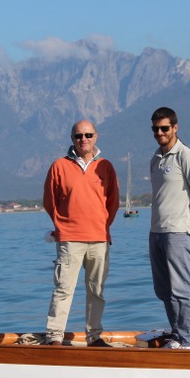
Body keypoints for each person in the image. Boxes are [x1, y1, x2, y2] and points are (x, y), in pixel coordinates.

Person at [43, 119, 119, 347]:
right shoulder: (59, 166)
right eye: (78, 136)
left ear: (96, 137)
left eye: (87, 135)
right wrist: (62, 225)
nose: (83, 140)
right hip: (69, 239)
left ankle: (94, 336)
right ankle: (54, 336)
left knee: (96, 291)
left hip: (99, 239)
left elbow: (113, 202)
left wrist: (102, 226)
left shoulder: (106, 166)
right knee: (63, 289)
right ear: (72, 139)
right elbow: (49, 202)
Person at [148, 106, 190, 349]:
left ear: (175, 128)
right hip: (156, 232)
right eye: (155, 129)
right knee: (164, 290)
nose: (159, 133)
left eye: (164, 128)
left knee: (182, 288)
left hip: (178, 232)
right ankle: (177, 334)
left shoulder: (186, 156)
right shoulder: (155, 159)